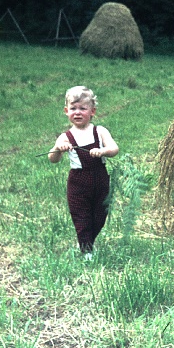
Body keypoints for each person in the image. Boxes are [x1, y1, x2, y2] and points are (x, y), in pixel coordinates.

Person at [49, 86, 119, 257]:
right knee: (81, 216)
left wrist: (102, 151)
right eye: (73, 108)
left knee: (99, 216)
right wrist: (59, 149)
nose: (77, 112)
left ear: (92, 111)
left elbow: (114, 148)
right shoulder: (66, 136)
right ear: (66, 111)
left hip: (100, 179)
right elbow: (52, 158)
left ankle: (86, 241)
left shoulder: (99, 131)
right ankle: (86, 250)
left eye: (82, 108)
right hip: (78, 182)